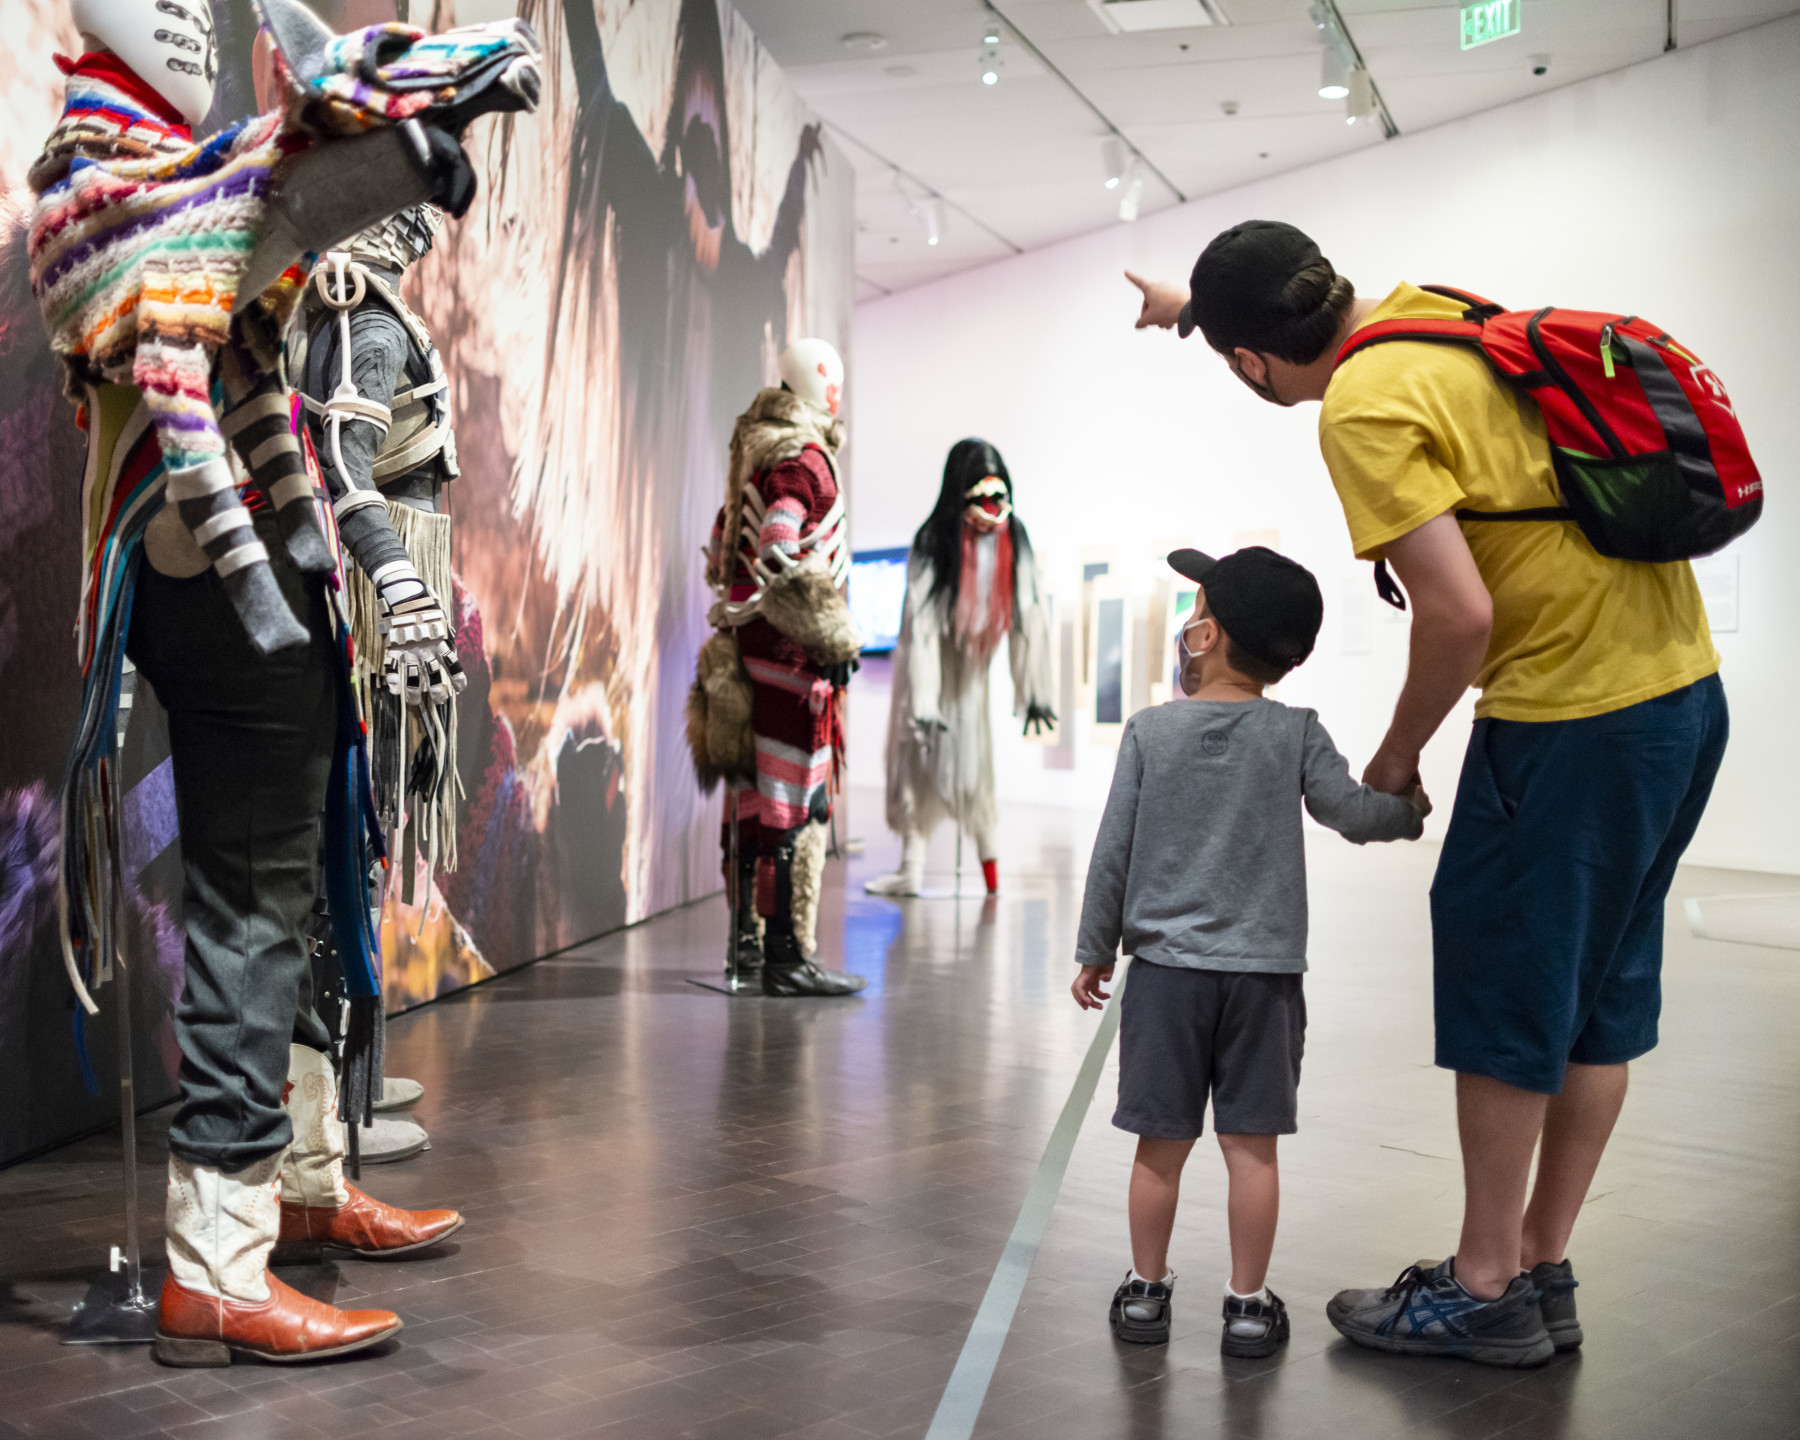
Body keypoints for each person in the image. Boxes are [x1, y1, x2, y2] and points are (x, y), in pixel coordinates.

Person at [1128, 223, 1727, 1365]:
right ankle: (1540, 1266)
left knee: (1508, 992)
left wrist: (1399, 758)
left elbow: (1459, 617)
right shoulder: (1430, 311)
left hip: (1569, 717)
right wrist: (1192, 305)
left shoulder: (1357, 410)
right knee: (1602, 995)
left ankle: (1483, 1285)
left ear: (1253, 362)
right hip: (1680, 697)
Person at [1071, 547, 1425, 1357]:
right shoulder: (1297, 732)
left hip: (1164, 978)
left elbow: (1111, 851)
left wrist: (1096, 948)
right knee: (1250, 1149)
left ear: (1208, 634)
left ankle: (1145, 1295)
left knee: (1159, 1148)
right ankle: (1246, 1305)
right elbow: (1353, 813)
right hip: (1264, 981)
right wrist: (1407, 810)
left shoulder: (1149, 731)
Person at [689, 339, 867, 997]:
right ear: (817, 388)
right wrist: (832, 634)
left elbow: (719, 549)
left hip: (746, 651)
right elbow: (778, 548)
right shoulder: (804, 460)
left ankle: (751, 948)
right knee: (793, 805)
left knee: (754, 802)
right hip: (790, 659)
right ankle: (787, 955)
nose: (839, 391)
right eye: (833, 379)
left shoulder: (757, 454)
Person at [865, 439, 1056, 898]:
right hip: (932, 677)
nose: (992, 508)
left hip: (972, 677)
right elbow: (921, 627)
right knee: (916, 762)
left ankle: (989, 871)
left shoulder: (1016, 539)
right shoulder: (935, 540)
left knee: (975, 769)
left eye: (998, 493)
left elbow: (1030, 616)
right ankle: (913, 869)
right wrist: (924, 699)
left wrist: (1035, 692)